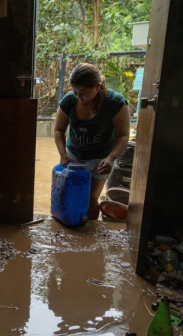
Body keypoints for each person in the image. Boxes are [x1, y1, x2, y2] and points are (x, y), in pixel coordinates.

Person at [53, 62, 130, 220]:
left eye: (83, 92)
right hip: (73, 156)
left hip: (101, 158)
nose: (78, 96)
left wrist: (110, 159)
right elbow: (58, 130)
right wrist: (62, 154)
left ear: (98, 86)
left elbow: (123, 135)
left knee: (91, 199)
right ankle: (71, 224)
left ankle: (90, 234)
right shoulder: (69, 101)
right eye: (75, 91)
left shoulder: (115, 103)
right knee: (69, 193)